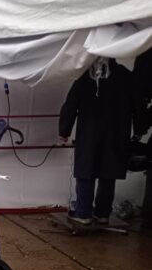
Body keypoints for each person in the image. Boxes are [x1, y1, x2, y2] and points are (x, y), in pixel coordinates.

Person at [59, 58, 137, 225]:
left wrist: (64, 131)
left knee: (86, 172)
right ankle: (103, 213)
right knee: (108, 173)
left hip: (89, 133)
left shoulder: (85, 77)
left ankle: (83, 213)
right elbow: (137, 104)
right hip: (116, 134)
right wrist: (139, 130)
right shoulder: (124, 75)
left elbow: (71, 104)